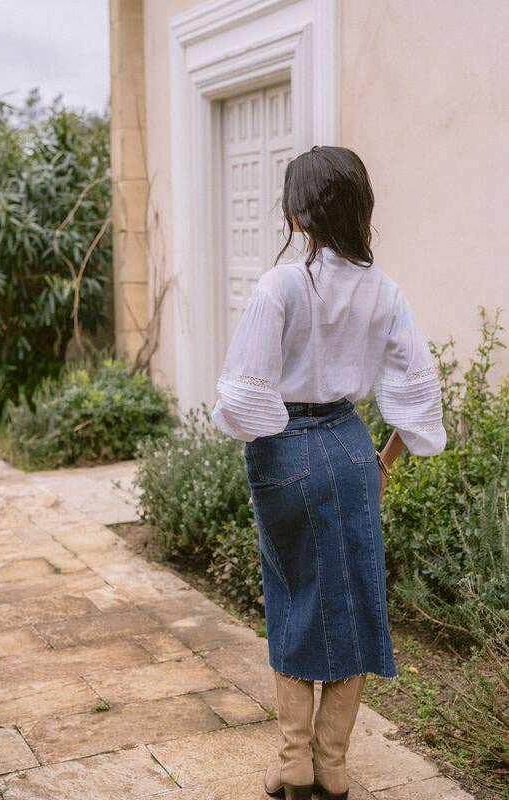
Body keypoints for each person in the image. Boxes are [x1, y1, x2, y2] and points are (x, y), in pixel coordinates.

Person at [211, 145, 447, 800]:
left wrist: (273, 450)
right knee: (357, 597)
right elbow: (420, 391)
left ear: (297, 213)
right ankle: (332, 765)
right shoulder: (384, 290)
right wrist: (381, 462)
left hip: (284, 446)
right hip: (349, 447)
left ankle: (292, 761)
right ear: (359, 207)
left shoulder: (280, 285)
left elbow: (243, 396)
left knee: (294, 596)